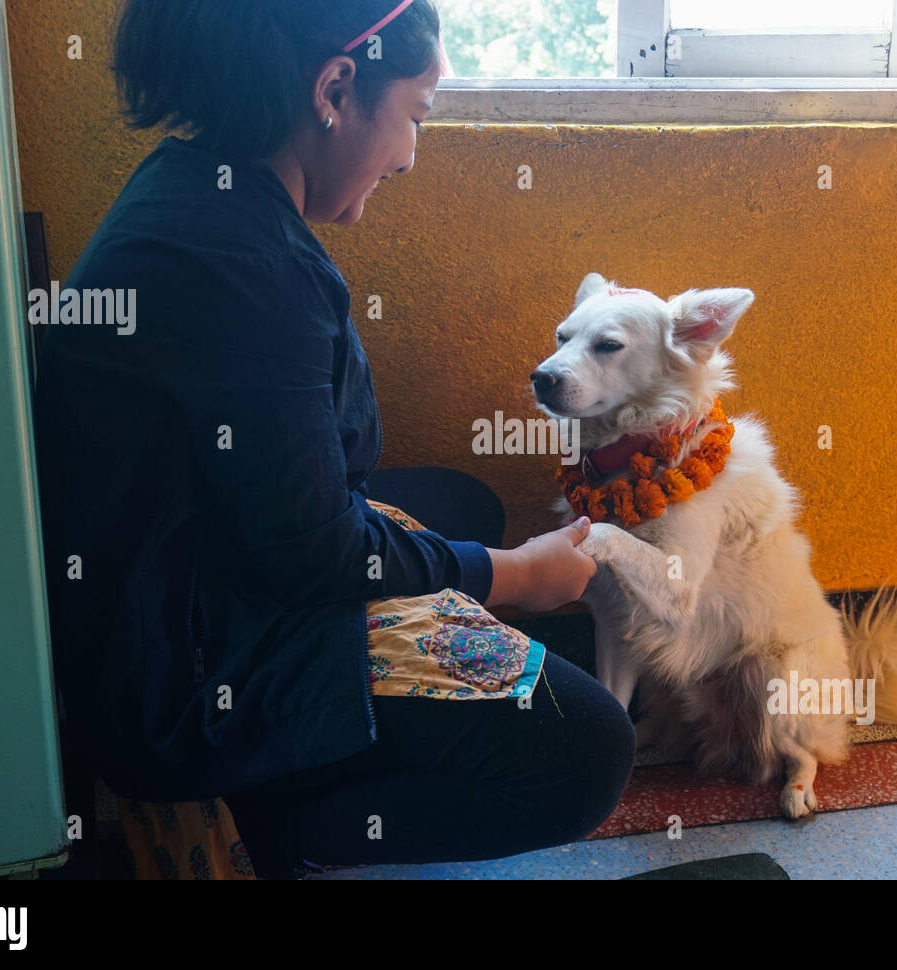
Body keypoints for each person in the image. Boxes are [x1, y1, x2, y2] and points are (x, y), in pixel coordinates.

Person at [33, 0, 636, 878]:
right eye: (416, 117)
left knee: (463, 503)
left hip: (192, 568)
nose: (409, 155)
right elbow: (315, 552)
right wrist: (517, 580)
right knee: (588, 753)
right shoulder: (245, 271)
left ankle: (320, 762)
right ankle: (272, 821)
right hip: (181, 674)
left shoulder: (200, 185)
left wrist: (471, 565)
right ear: (336, 87)